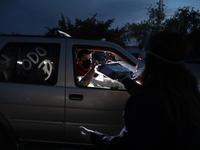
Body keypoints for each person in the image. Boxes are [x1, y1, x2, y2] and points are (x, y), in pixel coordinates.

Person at [79, 31, 200, 149]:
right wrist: (125, 80)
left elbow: (126, 145)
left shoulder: (146, 100)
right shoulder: (189, 91)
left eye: (143, 53)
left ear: (150, 59)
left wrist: (93, 137)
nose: (140, 58)